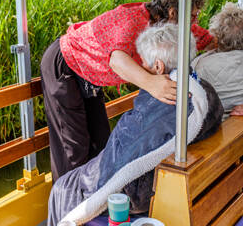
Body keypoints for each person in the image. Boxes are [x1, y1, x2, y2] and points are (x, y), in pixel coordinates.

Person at [40, 0, 214, 182]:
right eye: (193, 16)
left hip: (91, 75)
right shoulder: (131, 19)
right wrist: (153, 84)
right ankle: (67, 205)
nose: (195, 22)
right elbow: (117, 60)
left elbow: (208, 40)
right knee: (73, 148)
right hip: (65, 64)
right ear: (173, 12)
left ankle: (97, 198)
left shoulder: (174, 26)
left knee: (101, 143)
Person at [47, 23, 224, 226]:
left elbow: (123, 162)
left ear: (158, 67)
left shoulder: (168, 102)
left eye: (144, 63)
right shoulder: (203, 89)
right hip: (187, 179)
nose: (141, 67)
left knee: (63, 187)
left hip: (140, 191)